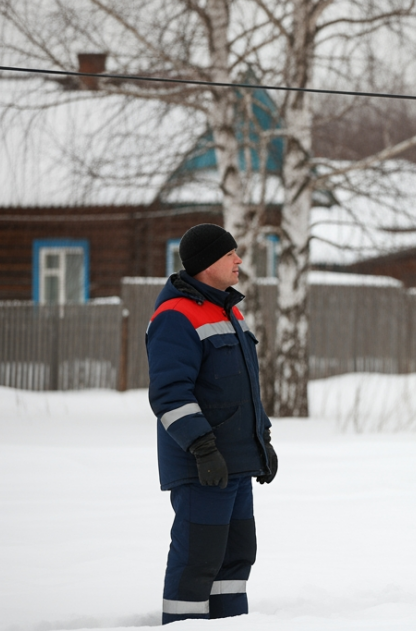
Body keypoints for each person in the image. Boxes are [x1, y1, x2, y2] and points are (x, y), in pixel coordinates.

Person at [146, 223, 277, 624]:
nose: (239, 260)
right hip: (201, 465)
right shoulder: (175, 316)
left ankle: (229, 624)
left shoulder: (230, 310)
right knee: (198, 560)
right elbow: (170, 395)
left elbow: (243, 389)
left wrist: (263, 442)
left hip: (235, 463)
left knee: (236, 559)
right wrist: (202, 448)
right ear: (205, 264)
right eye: (229, 254)